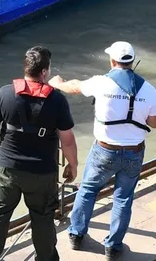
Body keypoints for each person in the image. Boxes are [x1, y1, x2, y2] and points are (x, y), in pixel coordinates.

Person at [50, 41, 156, 258]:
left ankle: (76, 235)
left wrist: (58, 83)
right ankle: (113, 246)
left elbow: (75, 87)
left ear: (112, 60)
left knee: (88, 190)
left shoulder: (101, 82)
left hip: (104, 150)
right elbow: (154, 122)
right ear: (133, 62)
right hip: (134, 152)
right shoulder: (148, 89)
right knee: (123, 198)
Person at [0, 45, 77, 261]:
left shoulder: (4, 93)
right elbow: (67, 140)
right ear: (43, 72)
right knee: (42, 217)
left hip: (7, 169)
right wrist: (72, 165)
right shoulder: (57, 100)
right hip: (42, 173)